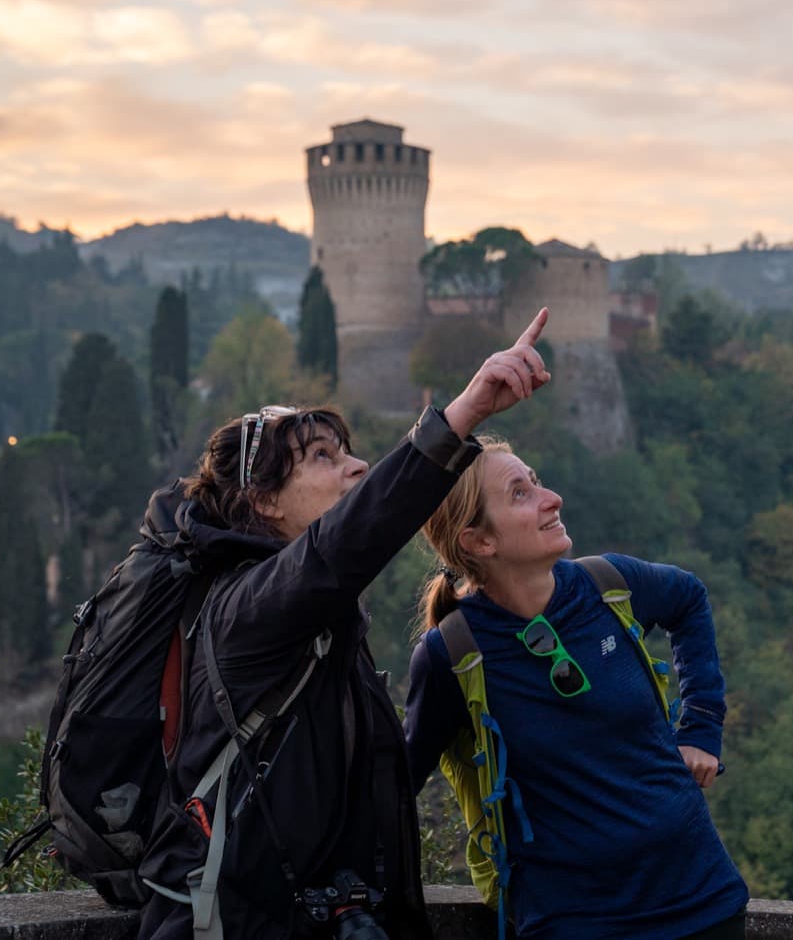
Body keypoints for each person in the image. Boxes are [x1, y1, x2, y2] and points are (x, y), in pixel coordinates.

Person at [137, 310, 552, 940]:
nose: (355, 468)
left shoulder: (322, 619)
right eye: (323, 458)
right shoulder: (247, 610)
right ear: (264, 501)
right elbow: (346, 545)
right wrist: (461, 416)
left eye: (351, 453)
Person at [403, 438, 749, 940]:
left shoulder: (609, 584)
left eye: (536, 481)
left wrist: (700, 728)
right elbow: (398, 781)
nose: (552, 499)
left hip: (702, 899)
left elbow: (689, 599)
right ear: (480, 541)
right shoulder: (453, 654)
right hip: (575, 921)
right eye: (521, 493)